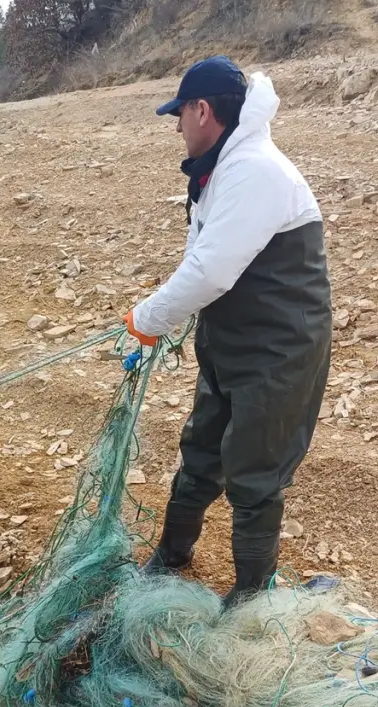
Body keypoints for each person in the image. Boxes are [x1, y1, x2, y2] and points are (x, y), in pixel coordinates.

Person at [123, 56, 333, 607]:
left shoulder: (255, 170)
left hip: (280, 351)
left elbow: (211, 270)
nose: (176, 127)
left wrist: (147, 319)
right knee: (201, 448)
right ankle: (170, 556)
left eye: (179, 114)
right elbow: (204, 260)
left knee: (255, 470)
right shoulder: (220, 168)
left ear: (202, 110)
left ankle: (250, 599)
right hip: (230, 343)